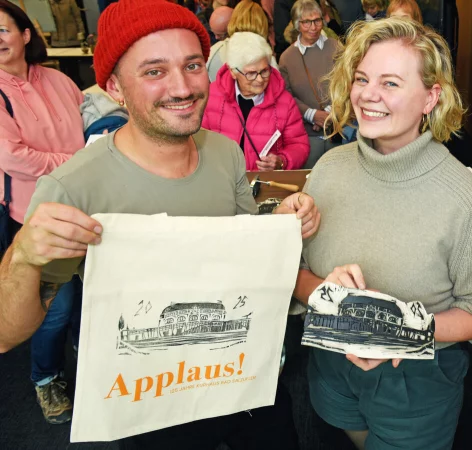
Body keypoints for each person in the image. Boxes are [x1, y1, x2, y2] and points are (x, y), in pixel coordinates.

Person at [0, 0, 320, 448]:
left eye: (192, 65)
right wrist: (23, 259)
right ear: (114, 87)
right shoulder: (72, 187)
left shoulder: (224, 152)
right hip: (152, 405)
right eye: (154, 71)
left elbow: (242, 249)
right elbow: (6, 334)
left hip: (243, 380)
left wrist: (277, 225)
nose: (182, 87)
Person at [291, 18, 472, 450]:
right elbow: (295, 271)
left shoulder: (464, 199)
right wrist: (326, 294)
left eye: (390, 83)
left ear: (431, 97)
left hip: (416, 386)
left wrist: (402, 330)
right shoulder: (328, 169)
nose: (368, 95)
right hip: (330, 371)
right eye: (362, 78)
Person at [0, 0, 86, 425]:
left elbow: (91, 122)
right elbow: (13, 158)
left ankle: (88, 363)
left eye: (2, 30)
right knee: (55, 308)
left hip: (89, 209)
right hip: (37, 217)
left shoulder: (57, 79)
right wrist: (76, 161)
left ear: (26, 34)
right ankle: (45, 378)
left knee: (94, 299)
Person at [203, 31, 309, 171]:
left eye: (264, 71)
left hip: (264, 184)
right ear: (233, 72)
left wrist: (282, 161)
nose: (260, 80)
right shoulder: (211, 96)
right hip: (221, 181)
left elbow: (299, 145)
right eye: (251, 73)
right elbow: (197, 143)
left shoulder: (285, 102)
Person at [279, 0, 342, 169]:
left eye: (317, 20)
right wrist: (312, 114)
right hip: (307, 134)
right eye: (307, 22)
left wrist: (328, 113)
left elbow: (347, 82)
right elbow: (286, 95)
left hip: (337, 127)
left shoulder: (336, 47)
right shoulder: (287, 57)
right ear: (296, 24)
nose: (313, 27)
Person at [207, 0, 277, 82]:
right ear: (263, 25)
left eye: (219, 35)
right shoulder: (268, 57)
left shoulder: (214, 52)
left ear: (232, 21)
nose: (216, 37)